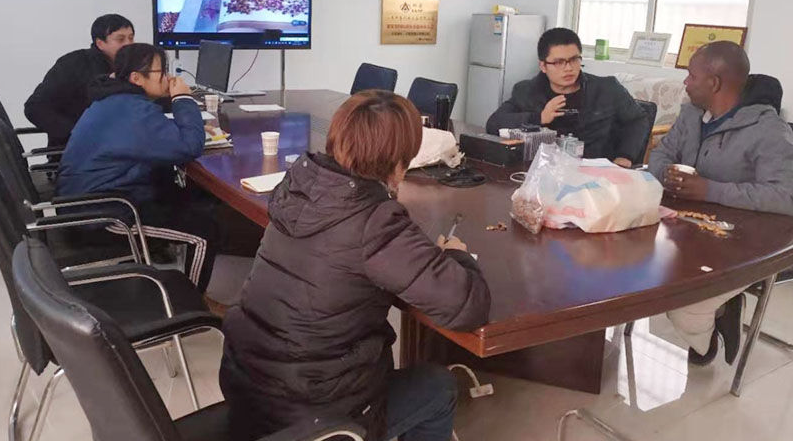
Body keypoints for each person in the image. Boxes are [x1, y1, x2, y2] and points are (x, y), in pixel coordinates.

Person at [220, 90, 491, 441]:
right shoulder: (374, 222)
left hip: (246, 386)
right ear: (399, 161)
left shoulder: (300, 186)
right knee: (439, 387)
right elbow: (466, 306)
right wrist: (455, 255)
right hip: (311, 415)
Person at [649, 41, 793, 365]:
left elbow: (786, 197)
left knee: (684, 306)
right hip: (686, 229)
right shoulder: (691, 114)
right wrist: (667, 174)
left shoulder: (768, 130)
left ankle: (716, 316)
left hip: (742, 242)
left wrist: (709, 190)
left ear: (714, 83)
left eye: (691, 75)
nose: (685, 82)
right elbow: (661, 154)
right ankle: (716, 313)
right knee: (640, 269)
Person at [56, 43, 219, 291]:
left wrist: (187, 126)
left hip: (92, 200)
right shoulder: (132, 110)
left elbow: (149, 135)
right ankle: (191, 302)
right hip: (103, 215)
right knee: (204, 233)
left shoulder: (117, 102)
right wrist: (183, 99)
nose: (168, 78)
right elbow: (189, 147)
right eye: (161, 72)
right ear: (136, 78)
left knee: (194, 198)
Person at [486, 28, 648, 166]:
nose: (568, 68)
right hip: (543, 171)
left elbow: (638, 120)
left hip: (594, 171)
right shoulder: (527, 91)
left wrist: (625, 156)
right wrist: (539, 117)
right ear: (543, 66)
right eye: (559, 62)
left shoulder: (607, 89)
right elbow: (494, 124)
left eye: (574, 59)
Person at [25, 14, 135, 147]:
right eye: (120, 39)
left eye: (131, 38)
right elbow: (35, 107)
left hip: (119, 145)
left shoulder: (133, 67)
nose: (129, 44)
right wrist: (77, 132)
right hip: (79, 150)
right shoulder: (74, 64)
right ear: (100, 43)